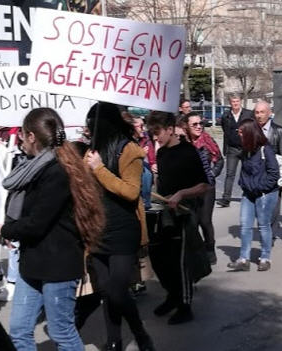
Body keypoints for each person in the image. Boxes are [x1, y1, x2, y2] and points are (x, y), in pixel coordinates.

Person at [0, 108, 106, 351]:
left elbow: (37, 222)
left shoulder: (57, 171)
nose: (20, 140)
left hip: (58, 265)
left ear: (32, 136)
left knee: (61, 332)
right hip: (32, 263)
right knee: (19, 330)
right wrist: (11, 228)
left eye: (22, 135)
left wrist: (6, 229)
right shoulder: (34, 167)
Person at [81, 103, 154, 351]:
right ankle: (114, 341)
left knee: (117, 291)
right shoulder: (92, 152)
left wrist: (99, 169)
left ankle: (140, 334)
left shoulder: (129, 150)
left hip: (123, 230)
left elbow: (131, 192)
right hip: (98, 231)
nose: (87, 130)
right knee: (105, 292)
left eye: (91, 125)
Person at [145, 111, 211, 325]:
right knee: (159, 258)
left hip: (185, 212)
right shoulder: (162, 153)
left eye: (158, 132)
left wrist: (182, 194)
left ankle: (185, 305)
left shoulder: (188, 152)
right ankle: (172, 295)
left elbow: (204, 185)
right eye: (152, 133)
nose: (156, 138)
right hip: (165, 212)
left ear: (170, 129)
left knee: (180, 261)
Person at [228, 120, 280, 272]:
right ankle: (244, 259)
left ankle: (265, 258)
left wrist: (260, 188)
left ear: (250, 133)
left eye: (242, 132)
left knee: (264, 225)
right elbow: (244, 171)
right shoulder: (246, 150)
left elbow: (273, 173)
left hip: (265, 194)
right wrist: (244, 184)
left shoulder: (266, 149)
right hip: (248, 193)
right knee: (245, 225)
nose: (240, 135)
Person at [185, 113, 222, 265]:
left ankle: (210, 249)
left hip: (206, 187)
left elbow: (219, 160)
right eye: (194, 124)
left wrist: (211, 175)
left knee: (205, 220)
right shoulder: (183, 143)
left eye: (200, 123)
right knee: (192, 222)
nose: (199, 126)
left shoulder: (208, 140)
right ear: (187, 126)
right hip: (188, 189)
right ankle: (196, 252)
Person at [254, 101, 282, 233]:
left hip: (273, 174)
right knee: (259, 206)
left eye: (262, 112)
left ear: (269, 113)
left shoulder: (279, 131)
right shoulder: (251, 130)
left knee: (273, 206)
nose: (259, 115)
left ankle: (271, 233)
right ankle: (265, 230)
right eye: (257, 112)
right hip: (257, 174)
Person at [218, 95, 253, 207]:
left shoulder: (248, 114)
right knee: (230, 174)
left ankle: (248, 196)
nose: (235, 103)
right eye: (233, 101)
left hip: (245, 148)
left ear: (241, 102)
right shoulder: (226, 115)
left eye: (237, 101)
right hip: (232, 149)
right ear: (230, 103)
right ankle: (226, 198)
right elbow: (225, 131)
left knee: (247, 172)